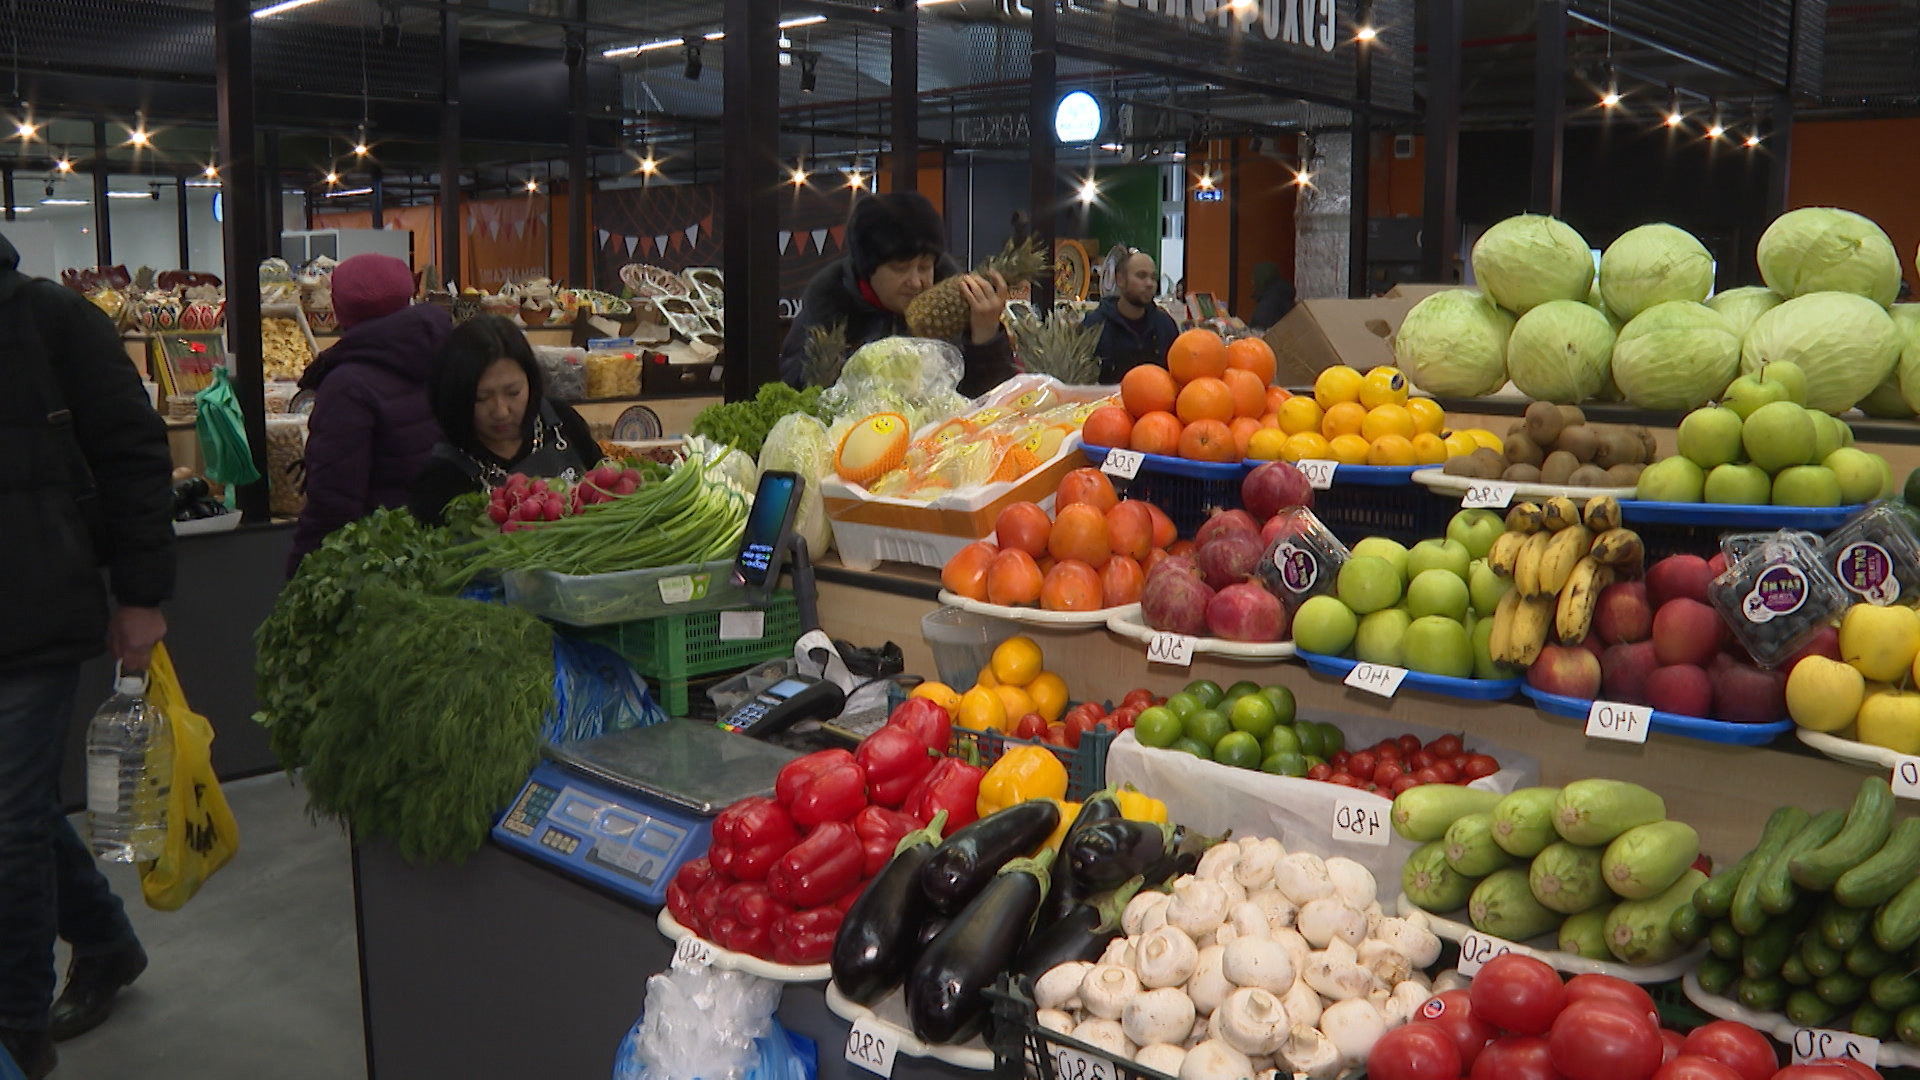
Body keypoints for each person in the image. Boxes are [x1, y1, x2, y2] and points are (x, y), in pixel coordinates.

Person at [0, 231, 174, 1079]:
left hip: (35, 611)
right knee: (18, 808)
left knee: (2, 823)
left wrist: (142, 595)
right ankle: (105, 941)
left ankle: (16, 1027)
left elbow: (136, 456)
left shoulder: (51, 318)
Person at [286, 254, 450, 576]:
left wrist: (300, 573)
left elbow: (333, 502)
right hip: (443, 549)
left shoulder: (346, 387)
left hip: (379, 561)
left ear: (338, 309)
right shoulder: (448, 357)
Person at [778, 192, 1014, 396]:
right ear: (868, 268)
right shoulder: (826, 313)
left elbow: (990, 407)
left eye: (925, 267)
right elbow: (797, 396)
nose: (916, 281)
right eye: (900, 268)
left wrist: (985, 338)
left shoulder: (957, 307)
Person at [409, 314, 603, 526]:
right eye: (481, 398)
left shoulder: (561, 421)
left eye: (513, 392)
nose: (501, 411)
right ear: (455, 396)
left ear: (531, 382)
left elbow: (603, 483)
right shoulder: (440, 478)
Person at [1081, 248, 1181, 383]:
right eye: (1141, 276)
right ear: (1120, 280)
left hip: (1157, 400)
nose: (1149, 284)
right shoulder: (1095, 325)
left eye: (1153, 277)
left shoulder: (1165, 325)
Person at [1246, 261, 1297, 332]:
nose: (1252, 282)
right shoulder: (1284, 297)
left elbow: (1258, 333)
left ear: (1261, 280)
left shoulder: (1266, 306)